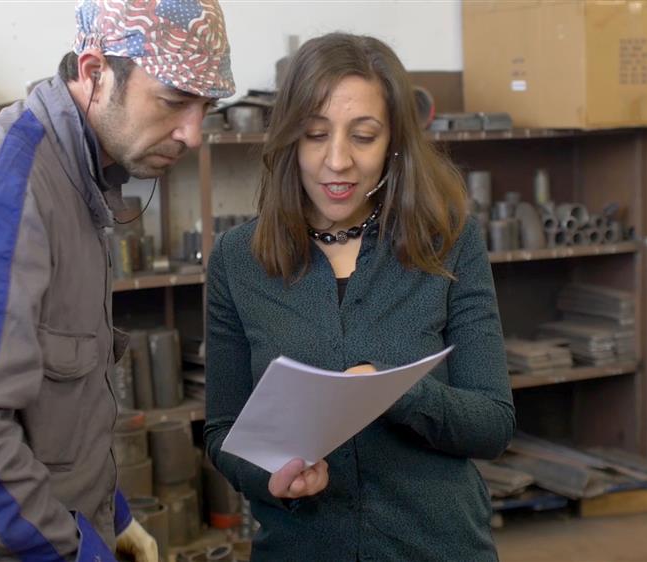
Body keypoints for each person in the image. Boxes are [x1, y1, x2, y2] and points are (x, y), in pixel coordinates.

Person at [0, 1, 234, 560]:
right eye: (174, 101)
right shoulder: (0, 190)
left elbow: (48, 402)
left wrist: (111, 513)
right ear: (94, 71)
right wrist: (77, 549)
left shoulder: (75, 182)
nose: (192, 134)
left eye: (207, 107)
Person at [204, 32, 515, 561]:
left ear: (394, 141)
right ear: (288, 140)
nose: (338, 161)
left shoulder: (450, 240)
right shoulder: (237, 260)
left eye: (363, 136)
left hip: (437, 547)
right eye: (315, 134)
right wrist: (270, 479)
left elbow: (492, 424)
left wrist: (398, 391)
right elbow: (223, 431)